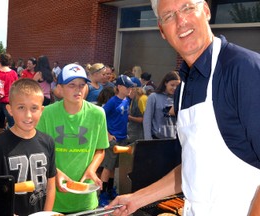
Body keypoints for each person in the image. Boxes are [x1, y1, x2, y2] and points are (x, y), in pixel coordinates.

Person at [107, 0, 260, 215]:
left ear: (206, 11)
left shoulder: (245, 69)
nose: (181, 21)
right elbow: (193, 167)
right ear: (161, 30)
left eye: (188, 8)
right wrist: (137, 198)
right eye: (169, 16)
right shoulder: (182, 89)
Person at [36, 63, 109, 214]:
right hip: (53, 197)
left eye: (82, 85)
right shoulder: (47, 114)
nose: (78, 89)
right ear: (60, 88)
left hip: (86, 197)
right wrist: (54, 172)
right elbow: (38, 152)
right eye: (72, 85)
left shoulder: (98, 114)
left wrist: (91, 170)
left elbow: (100, 150)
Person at [0, 78, 57, 215]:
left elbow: (51, 186)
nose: (28, 115)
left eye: (34, 108)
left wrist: (47, 213)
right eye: (21, 107)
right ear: (10, 109)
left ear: (42, 110)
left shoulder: (48, 142)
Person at [98, 75, 135, 207]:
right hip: (113, 139)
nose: (130, 89)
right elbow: (100, 116)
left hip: (123, 138)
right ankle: (101, 194)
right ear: (119, 87)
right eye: (128, 86)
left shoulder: (126, 100)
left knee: (114, 166)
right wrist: (107, 134)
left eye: (131, 87)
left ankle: (110, 189)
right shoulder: (113, 101)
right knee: (107, 167)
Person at [143, 71, 180, 140]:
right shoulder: (154, 97)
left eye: (177, 86)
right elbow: (147, 119)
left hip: (173, 140)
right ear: (165, 83)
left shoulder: (179, 99)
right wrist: (148, 140)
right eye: (172, 85)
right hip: (156, 138)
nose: (174, 88)